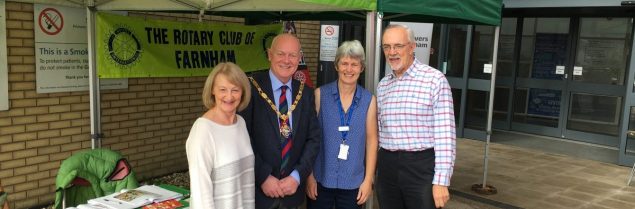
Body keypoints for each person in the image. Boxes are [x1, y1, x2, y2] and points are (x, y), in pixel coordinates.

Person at [376, 24, 456, 209]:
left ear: (412, 47)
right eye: (387, 47)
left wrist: (441, 181)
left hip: (421, 168)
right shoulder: (383, 85)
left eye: (398, 46)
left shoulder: (434, 80)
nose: (392, 52)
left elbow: (445, 136)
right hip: (387, 167)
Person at [239, 33, 321, 209]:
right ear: (270, 54)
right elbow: (242, 138)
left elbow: (313, 139)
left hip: (293, 194)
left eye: (292, 55)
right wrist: (263, 176)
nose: (286, 60)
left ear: (299, 58)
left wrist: (297, 176)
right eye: (281, 53)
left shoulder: (305, 93)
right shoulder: (251, 88)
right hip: (258, 193)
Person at [305, 40, 378, 209]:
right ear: (336, 66)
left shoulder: (369, 100)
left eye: (354, 64)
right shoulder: (319, 95)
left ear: (362, 68)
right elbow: (309, 137)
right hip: (320, 180)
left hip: (354, 183)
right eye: (344, 63)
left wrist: (368, 180)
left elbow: (372, 141)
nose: (349, 69)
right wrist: (308, 177)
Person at [186, 62, 254, 209]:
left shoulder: (240, 123)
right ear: (212, 91)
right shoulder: (203, 131)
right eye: (222, 89)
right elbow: (200, 196)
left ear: (243, 92)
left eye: (235, 90)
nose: (229, 96)